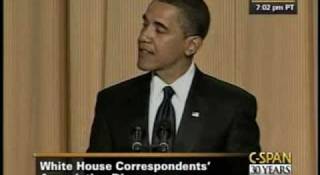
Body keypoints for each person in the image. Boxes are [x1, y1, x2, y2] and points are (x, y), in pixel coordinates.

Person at [87, 0, 261, 153]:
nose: (143, 37)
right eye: (145, 25)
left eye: (160, 29)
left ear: (191, 45)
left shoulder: (232, 106)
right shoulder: (112, 101)